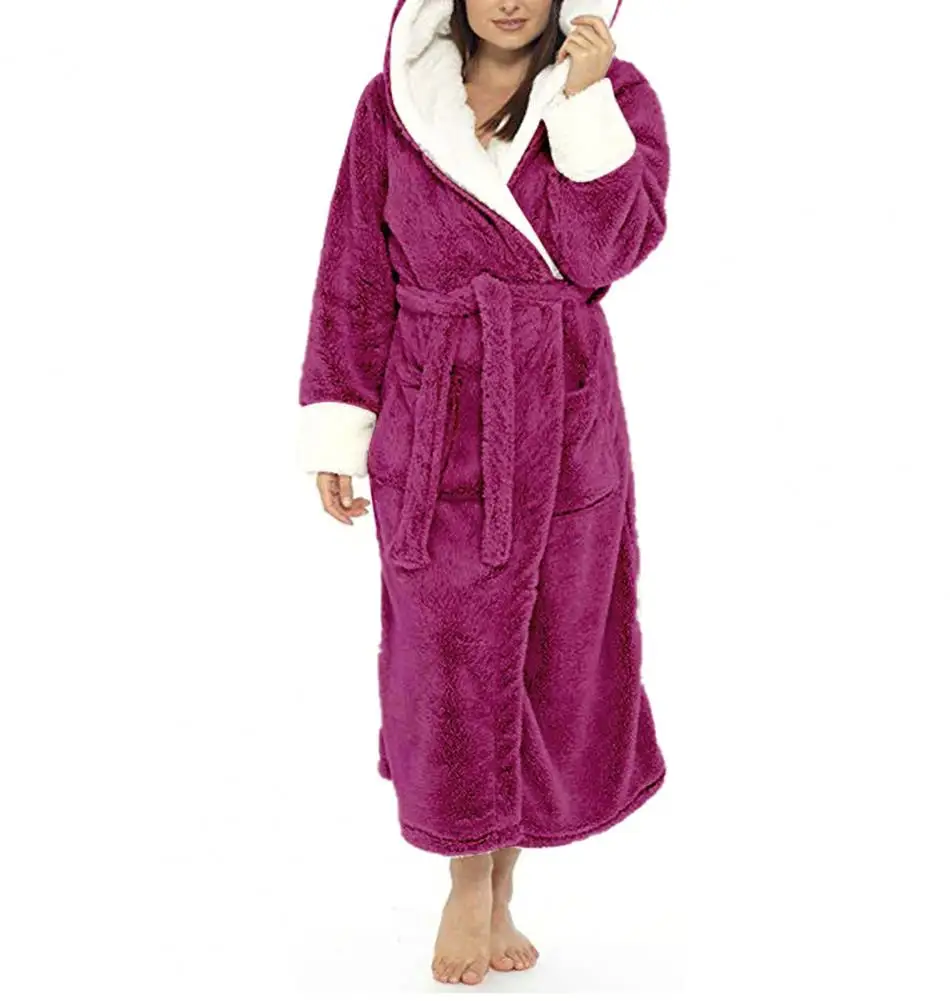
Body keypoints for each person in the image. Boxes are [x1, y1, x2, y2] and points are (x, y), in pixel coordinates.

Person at [296, 0, 670, 987]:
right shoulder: (393, 103)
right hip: (434, 415)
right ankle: (467, 883)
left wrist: (581, 103)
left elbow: (606, 254)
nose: (509, 1)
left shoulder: (613, 94)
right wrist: (340, 419)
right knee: (448, 652)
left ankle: (504, 881)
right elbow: (352, 267)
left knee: (551, 653)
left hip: (560, 417)